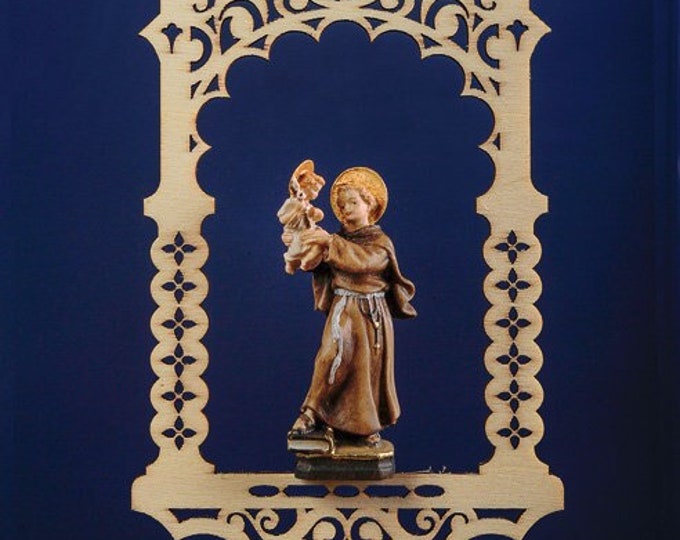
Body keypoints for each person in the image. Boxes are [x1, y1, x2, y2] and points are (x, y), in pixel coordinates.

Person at [288, 166, 416, 445]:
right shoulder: (336, 238)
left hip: (371, 316)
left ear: (369, 205)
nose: (345, 210)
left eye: (353, 203)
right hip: (344, 307)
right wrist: (304, 244)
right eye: (342, 205)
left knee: (364, 371)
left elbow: (363, 262)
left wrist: (328, 243)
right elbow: (320, 263)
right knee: (332, 354)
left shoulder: (380, 242)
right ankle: (311, 412)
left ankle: (364, 427)